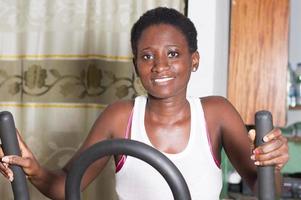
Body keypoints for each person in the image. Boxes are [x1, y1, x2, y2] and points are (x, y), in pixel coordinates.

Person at [0, 7, 289, 200]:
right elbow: (67, 184)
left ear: (194, 60)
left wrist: (271, 167)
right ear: (136, 64)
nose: (160, 66)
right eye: (148, 56)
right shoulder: (119, 117)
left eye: (173, 54)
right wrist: (35, 169)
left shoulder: (216, 113)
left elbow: (263, 188)